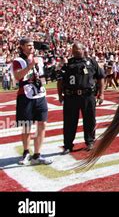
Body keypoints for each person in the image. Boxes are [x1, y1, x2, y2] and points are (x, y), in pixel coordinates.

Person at [57, 42, 105, 153]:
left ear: (83, 50)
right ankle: (68, 145)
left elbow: (100, 77)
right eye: (73, 50)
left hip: (88, 96)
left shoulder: (91, 62)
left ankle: (90, 142)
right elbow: (60, 81)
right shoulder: (68, 64)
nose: (75, 51)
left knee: (90, 120)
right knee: (69, 122)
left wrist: (101, 94)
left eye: (77, 49)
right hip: (71, 97)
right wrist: (60, 95)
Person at [12, 37, 52, 165]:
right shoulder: (18, 61)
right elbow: (18, 76)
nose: (31, 47)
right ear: (22, 46)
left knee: (42, 124)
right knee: (26, 126)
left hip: (39, 95)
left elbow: (42, 76)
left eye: (32, 45)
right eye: (28, 45)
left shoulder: (38, 60)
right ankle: (26, 152)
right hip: (25, 96)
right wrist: (30, 65)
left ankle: (37, 154)